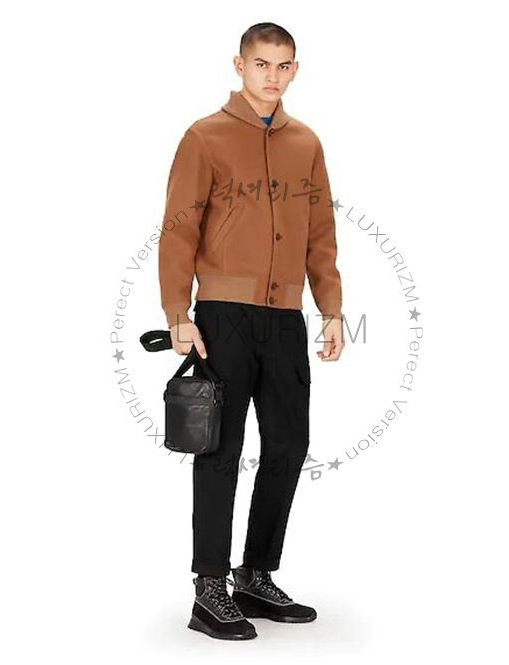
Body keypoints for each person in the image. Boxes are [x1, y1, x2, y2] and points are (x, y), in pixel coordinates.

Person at [158, 22, 345, 640]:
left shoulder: (306, 142)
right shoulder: (204, 137)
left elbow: (321, 235)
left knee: (288, 445)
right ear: (239, 66)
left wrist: (331, 308)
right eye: (262, 63)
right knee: (219, 448)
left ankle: (255, 576)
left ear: (295, 69)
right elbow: (179, 230)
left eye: (284, 65)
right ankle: (209, 587)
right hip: (223, 317)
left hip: (285, 318)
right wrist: (178, 314)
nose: (273, 75)